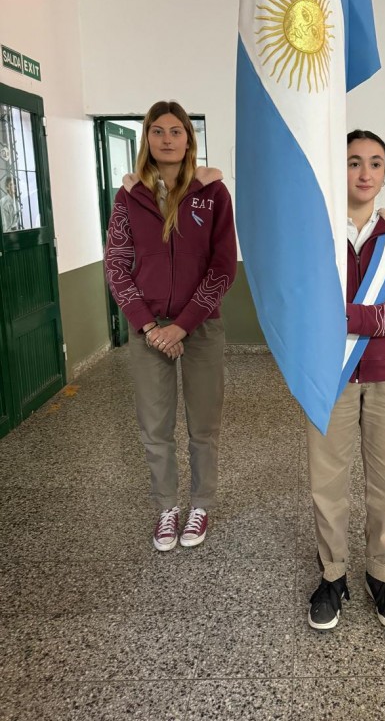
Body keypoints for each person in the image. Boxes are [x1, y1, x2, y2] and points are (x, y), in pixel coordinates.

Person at [306, 129, 385, 630]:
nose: (364, 172)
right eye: (354, 161)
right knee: (326, 480)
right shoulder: (318, 230)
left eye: (375, 163)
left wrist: (349, 318)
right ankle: (332, 573)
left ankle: (383, 571)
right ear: (342, 169)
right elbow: (305, 303)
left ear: (384, 173)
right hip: (328, 375)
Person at [105, 100, 236, 551]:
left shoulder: (213, 194)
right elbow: (117, 266)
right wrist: (147, 326)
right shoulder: (128, 197)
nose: (167, 139)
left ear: (188, 138)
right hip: (147, 331)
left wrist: (181, 326)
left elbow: (222, 267)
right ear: (147, 139)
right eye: (157, 131)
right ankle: (166, 507)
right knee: (155, 426)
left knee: (203, 424)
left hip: (199, 326)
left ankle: (200, 504)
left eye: (176, 131)